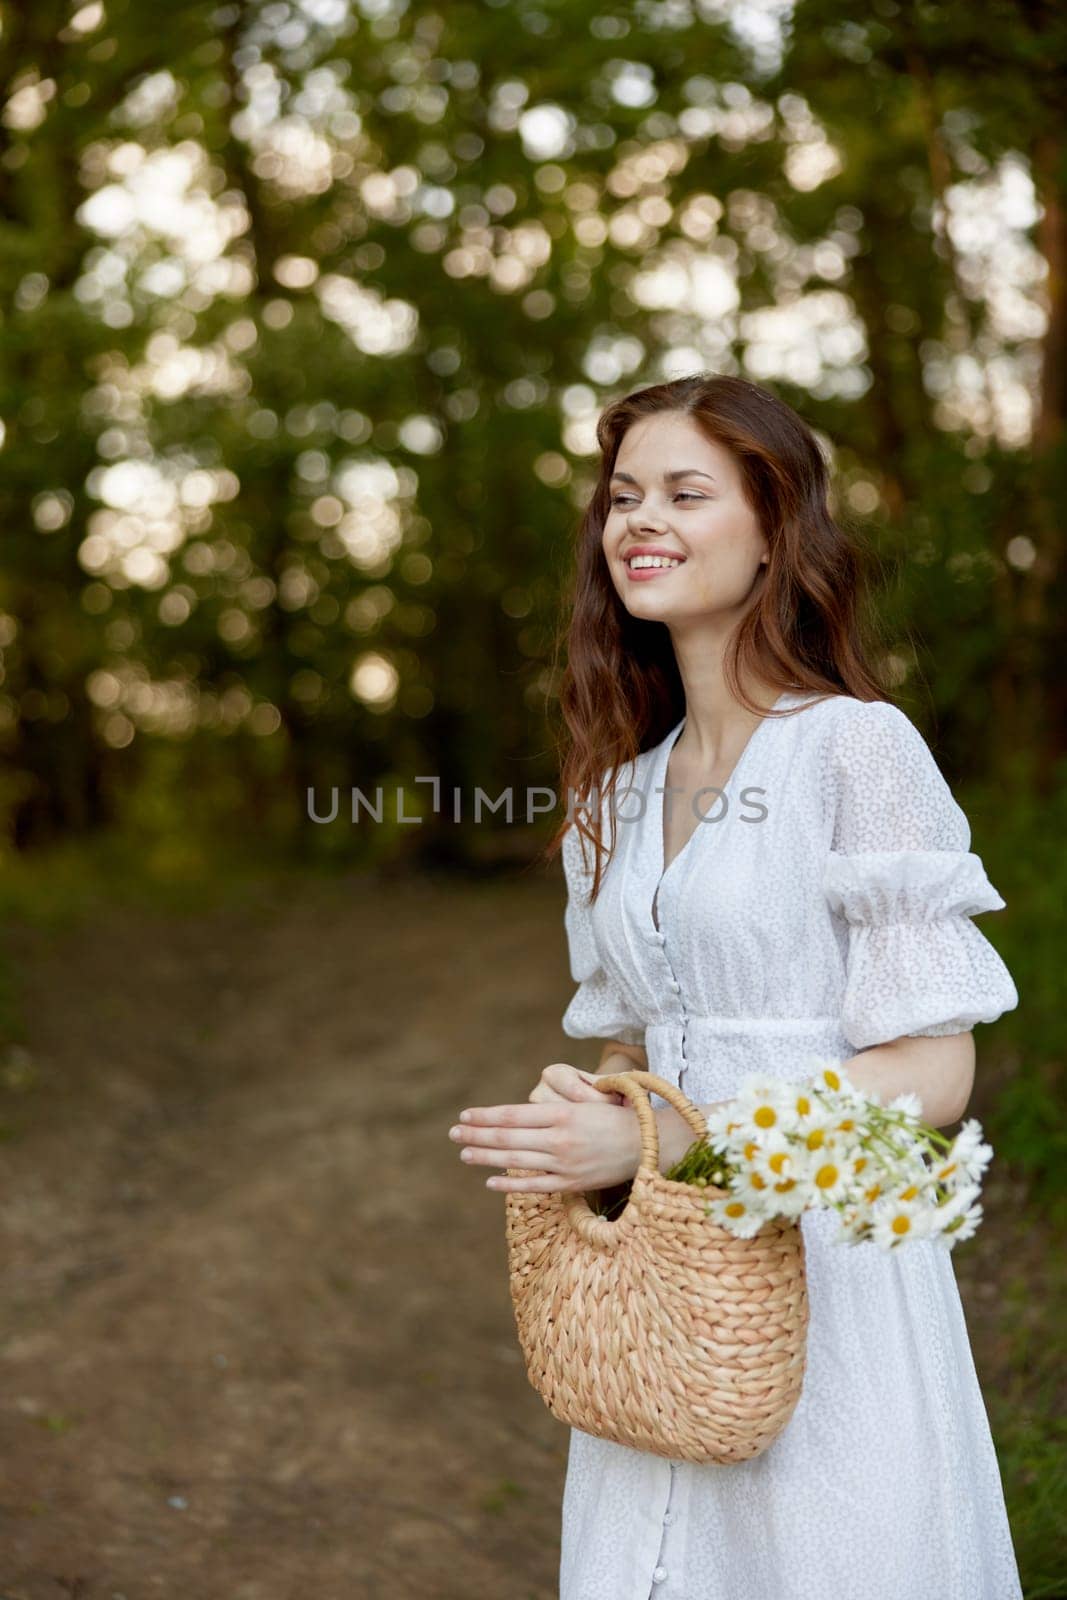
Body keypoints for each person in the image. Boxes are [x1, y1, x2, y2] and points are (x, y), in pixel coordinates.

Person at [447, 373, 1022, 1599]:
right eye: (621, 497)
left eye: (684, 493)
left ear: (774, 533)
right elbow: (637, 1049)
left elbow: (931, 1070)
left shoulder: (854, 747)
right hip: (667, 1306)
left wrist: (679, 1145)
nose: (637, 521)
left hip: (831, 1285)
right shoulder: (615, 788)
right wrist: (605, 1121)